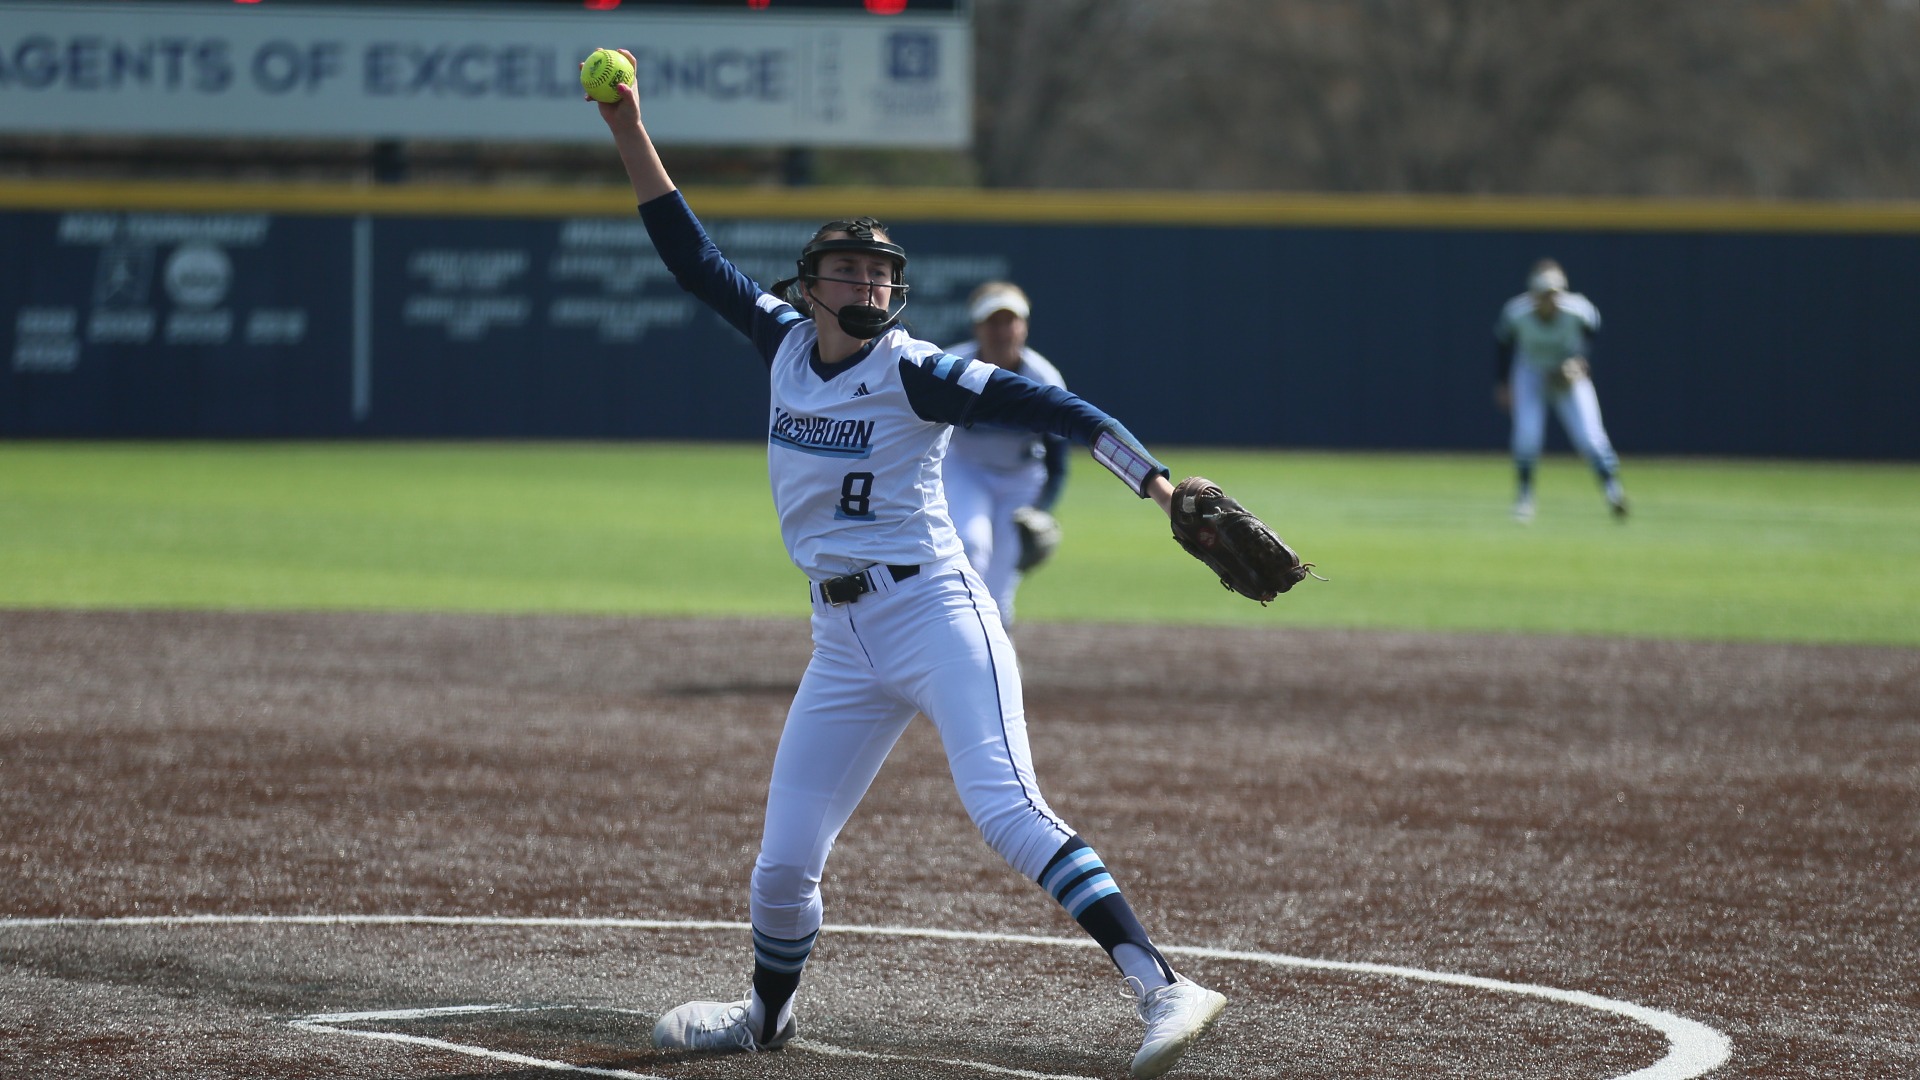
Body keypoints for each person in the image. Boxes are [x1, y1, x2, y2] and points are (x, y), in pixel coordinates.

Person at [588, 50, 1227, 1080]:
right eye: (849, 269)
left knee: (1005, 807)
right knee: (786, 856)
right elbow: (689, 255)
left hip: (933, 611)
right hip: (839, 638)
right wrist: (626, 124)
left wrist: (1153, 483)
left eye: (883, 272)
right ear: (809, 287)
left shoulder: (913, 370)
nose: (871, 282)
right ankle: (767, 1013)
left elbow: (1059, 410)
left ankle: (1167, 988)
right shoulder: (784, 340)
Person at [941, 281, 1069, 627]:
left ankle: (1000, 656)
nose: (1001, 331)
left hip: (1021, 478)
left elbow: (1057, 462)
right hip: (965, 470)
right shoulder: (950, 368)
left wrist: (1041, 510)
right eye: (992, 322)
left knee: (1001, 580)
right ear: (976, 327)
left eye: (1009, 321)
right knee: (970, 545)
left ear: (1024, 326)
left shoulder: (1044, 380)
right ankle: (958, 637)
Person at [1493, 259, 1629, 522]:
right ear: (1534, 295)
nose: (1551, 299)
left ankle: (1614, 492)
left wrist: (1580, 362)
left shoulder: (1578, 310)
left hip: (1567, 377)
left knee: (1590, 436)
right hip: (1531, 373)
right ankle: (1524, 498)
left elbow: (1593, 334)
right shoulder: (1517, 313)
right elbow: (1502, 344)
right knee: (1527, 435)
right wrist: (1503, 383)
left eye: (1555, 293)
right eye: (1545, 294)